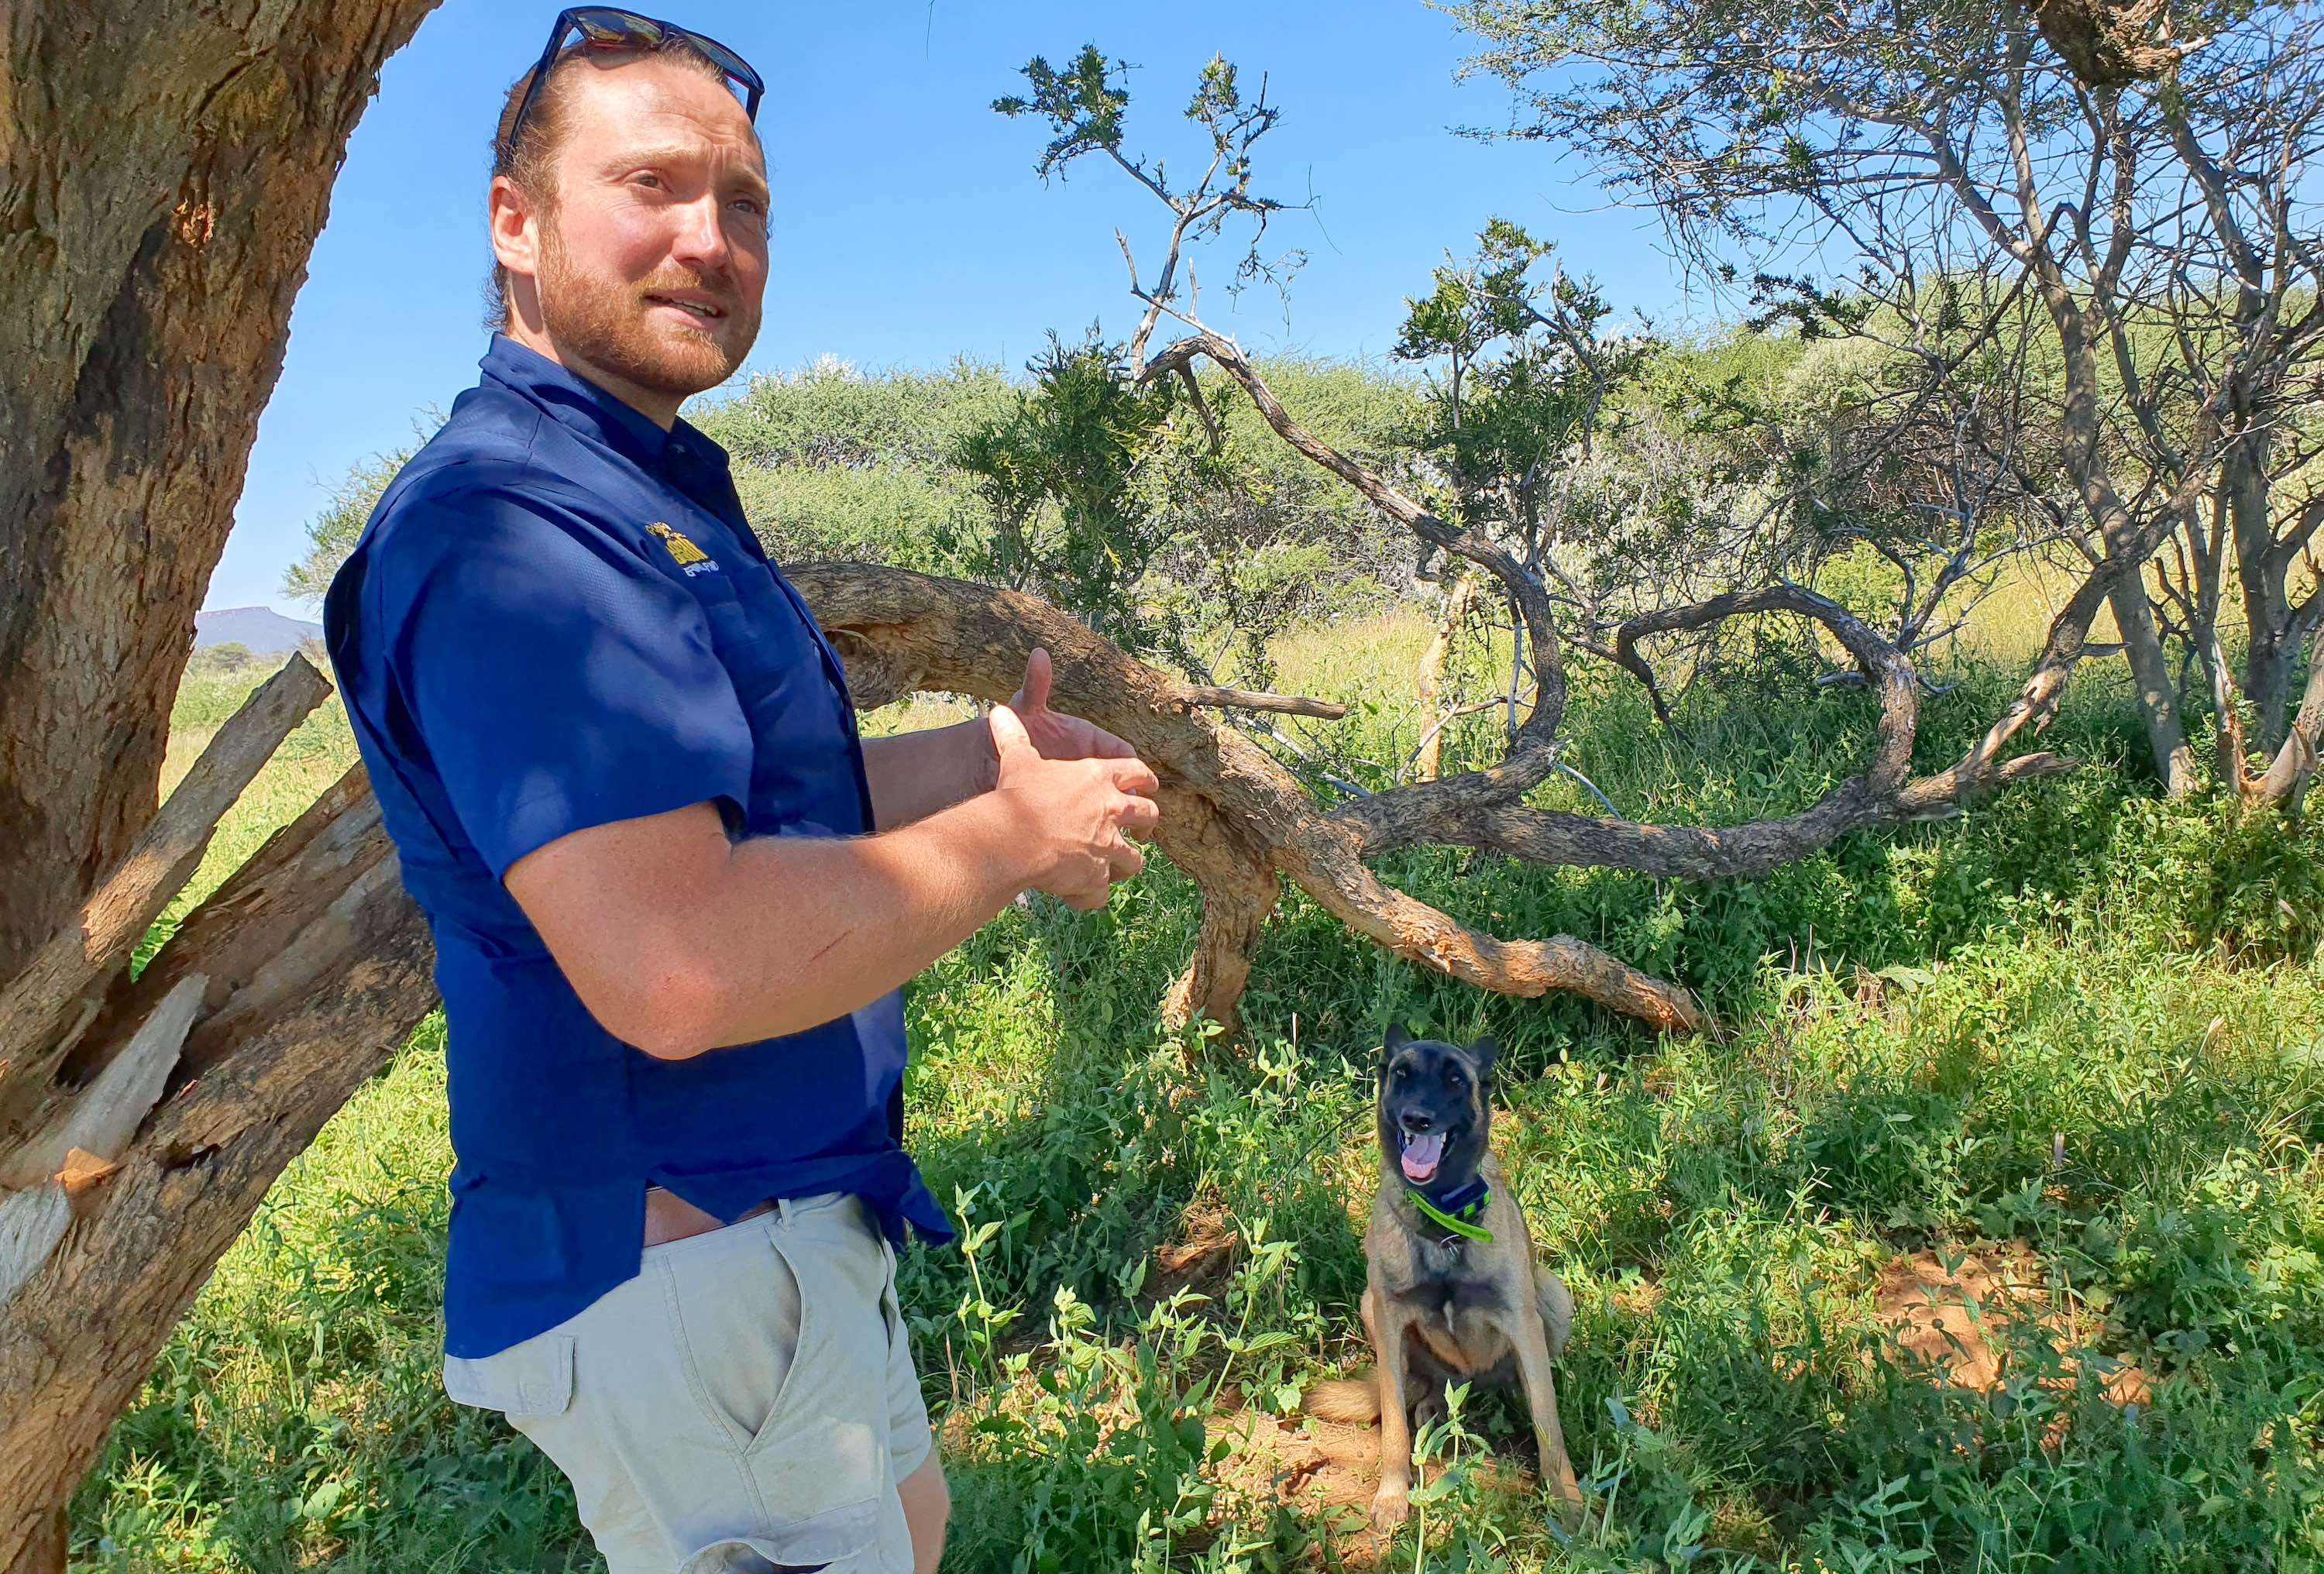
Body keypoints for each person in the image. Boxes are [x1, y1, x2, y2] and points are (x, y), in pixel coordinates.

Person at [321, 12, 1160, 1572]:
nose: (710, 240)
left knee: (912, 1526)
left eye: (746, 202)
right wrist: (1011, 840)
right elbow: (678, 960)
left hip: (778, 1243)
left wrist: (987, 758)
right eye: (652, 184)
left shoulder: (636, 488)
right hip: (693, 1277)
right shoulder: (508, 529)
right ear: (515, 221)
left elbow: (755, 807)